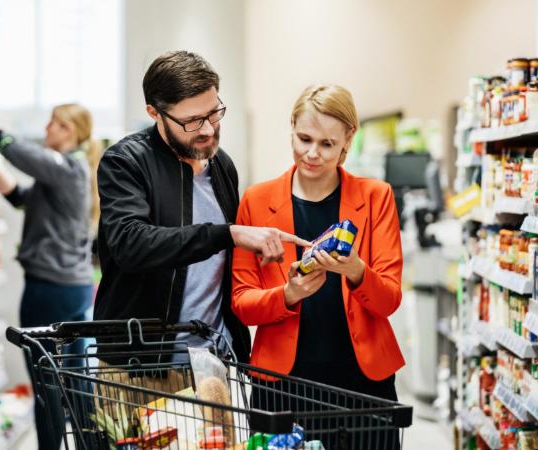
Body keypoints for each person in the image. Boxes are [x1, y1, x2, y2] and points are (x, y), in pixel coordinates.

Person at [95, 50, 309, 368]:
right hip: (140, 365)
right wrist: (229, 234)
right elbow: (131, 245)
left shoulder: (222, 166)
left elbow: (219, 265)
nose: (208, 129)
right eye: (193, 121)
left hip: (213, 361)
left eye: (214, 113)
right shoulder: (126, 163)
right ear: (155, 113)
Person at [231, 84, 405, 448]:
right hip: (283, 384)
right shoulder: (257, 201)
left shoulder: (376, 197)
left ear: (347, 141)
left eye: (327, 144)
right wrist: (288, 295)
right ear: (291, 127)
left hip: (363, 382)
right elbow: (242, 303)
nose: (312, 154)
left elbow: (389, 300)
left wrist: (356, 271)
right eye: (304, 138)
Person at [0, 103, 99, 450]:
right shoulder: (70, 173)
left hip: (50, 289)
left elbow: (29, 159)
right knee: (74, 380)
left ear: (70, 131)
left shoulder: (67, 167)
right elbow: (22, 197)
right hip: (72, 288)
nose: (47, 129)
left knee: (46, 383)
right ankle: (91, 445)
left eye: (55, 124)